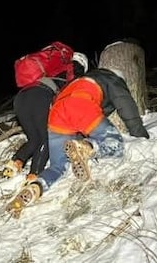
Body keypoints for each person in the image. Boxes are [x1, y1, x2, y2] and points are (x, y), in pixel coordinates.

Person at [30, 67, 150, 196]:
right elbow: (126, 106)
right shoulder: (112, 79)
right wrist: (141, 136)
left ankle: (37, 187)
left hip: (56, 113)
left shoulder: (78, 81)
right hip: (80, 104)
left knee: (58, 166)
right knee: (116, 144)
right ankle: (87, 148)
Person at [2, 50, 89, 185]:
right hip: (40, 96)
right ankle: (33, 175)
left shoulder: (53, 67)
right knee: (46, 139)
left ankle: (15, 163)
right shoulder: (74, 69)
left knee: (34, 139)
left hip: (21, 98)